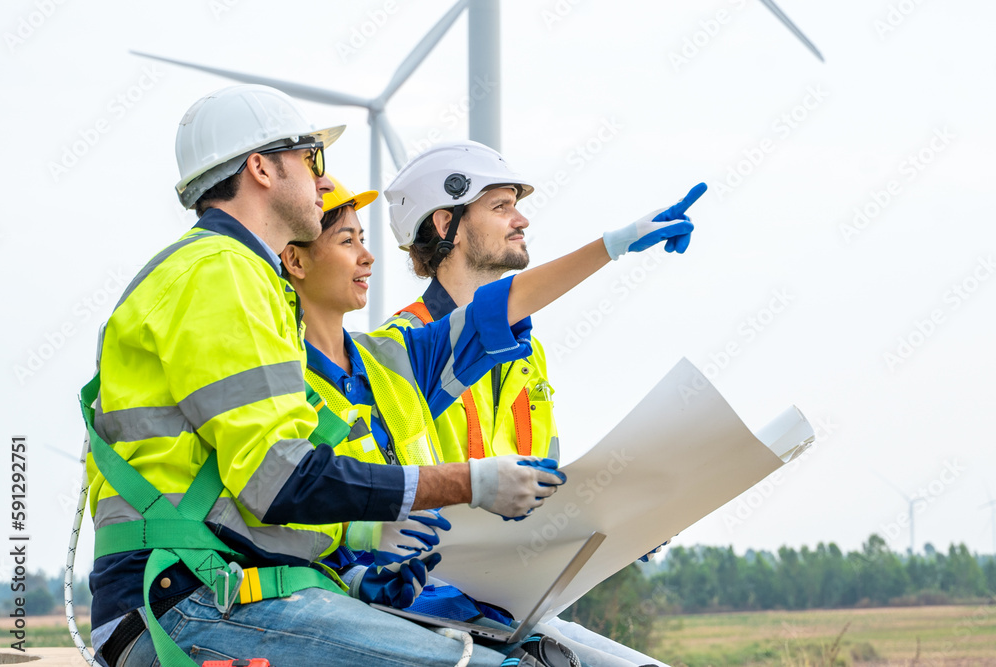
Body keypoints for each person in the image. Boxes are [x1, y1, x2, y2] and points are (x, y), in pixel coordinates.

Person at [82, 84, 572, 667]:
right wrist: (469, 482)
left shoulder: (235, 277)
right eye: (310, 159)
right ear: (260, 168)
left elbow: (258, 485)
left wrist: (359, 575)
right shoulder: (222, 274)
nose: (322, 180)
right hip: (189, 601)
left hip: (224, 589)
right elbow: (281, 481)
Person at [284, 166, 702, 666]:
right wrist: (363, 543)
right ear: (294, 260)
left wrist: (613, 245)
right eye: (347, 239)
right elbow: (274, 500)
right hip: (413, 601)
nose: (368, 256)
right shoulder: (286, 385)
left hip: (484, 599)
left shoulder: (397, 358)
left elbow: (501, 308)